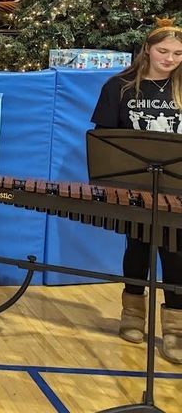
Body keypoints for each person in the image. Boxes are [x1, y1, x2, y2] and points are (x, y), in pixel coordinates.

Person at [91, 21, 182, 364]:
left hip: (177, 188)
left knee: (176, 257)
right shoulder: (119, 87)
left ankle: (175, 328)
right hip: (136, 187)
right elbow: (103, 138)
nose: (170, 59)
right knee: (138, 249)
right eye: (163, 52)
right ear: (147, 49)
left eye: (177, 53)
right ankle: (132, 313)